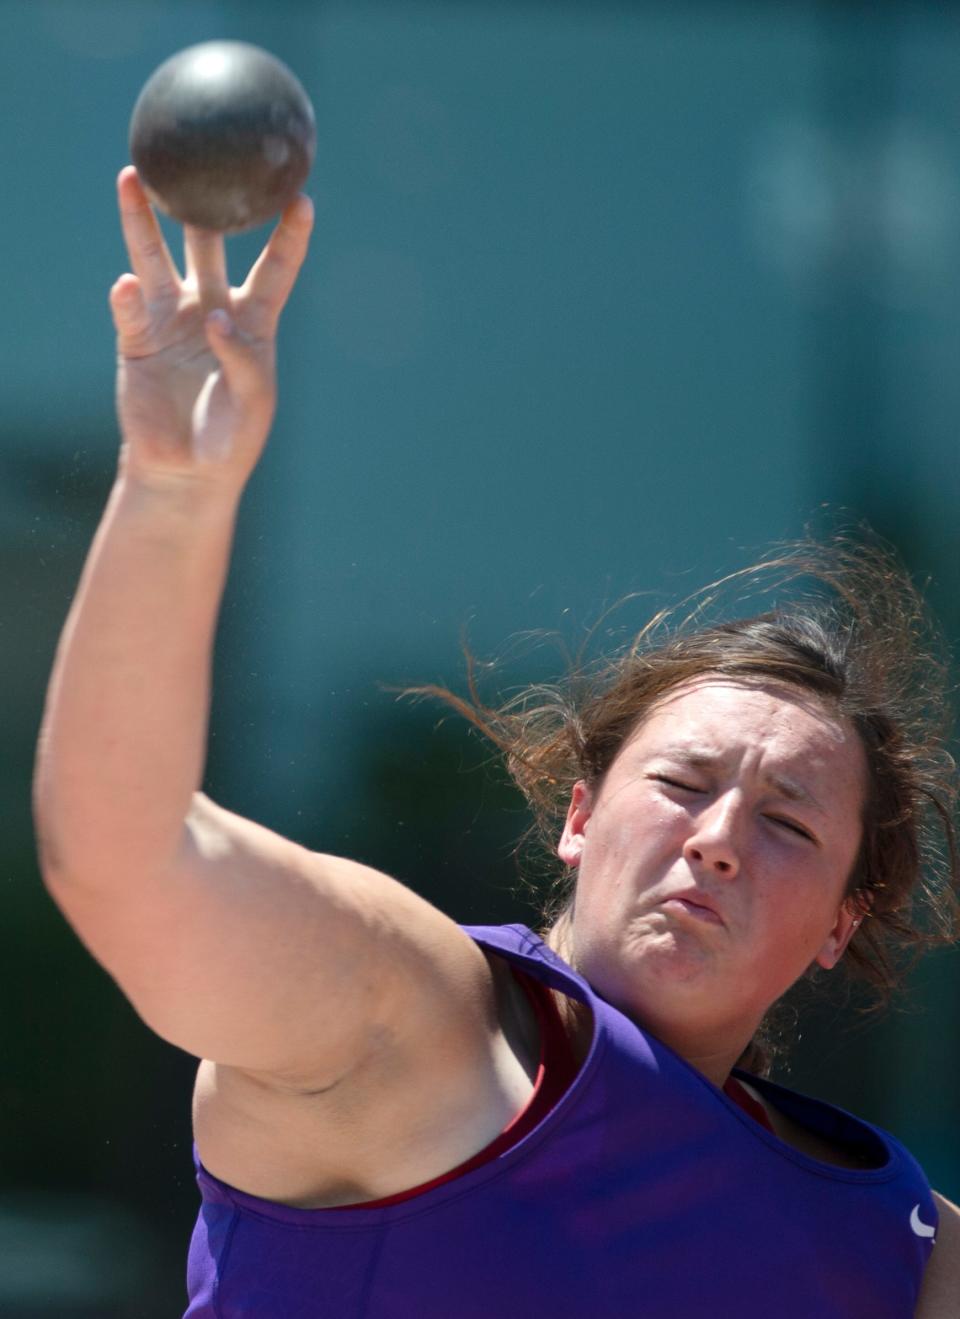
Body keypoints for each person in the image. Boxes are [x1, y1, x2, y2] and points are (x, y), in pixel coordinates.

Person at [33, 166, 960, 1317]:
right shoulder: (420, 1021)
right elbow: (125, 857)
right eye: (681, 781)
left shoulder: (903, 1240)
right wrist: (172, 492)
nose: (718, 838)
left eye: (787, 821)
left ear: (841, 922)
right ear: (579, 816)